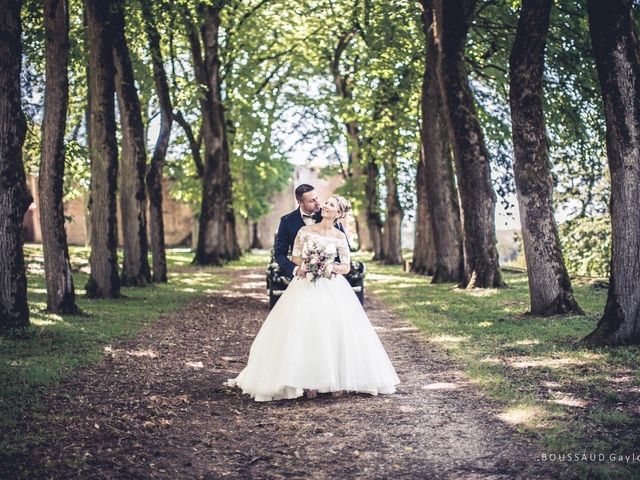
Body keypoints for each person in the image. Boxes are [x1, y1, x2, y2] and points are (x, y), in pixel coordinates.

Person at [225, 194, 399, 401]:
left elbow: (345, 266)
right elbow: (295, 256)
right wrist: (309, 264)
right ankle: (306, 382)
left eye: (331, 204)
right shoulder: (304, 231)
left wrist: (329, 266)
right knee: (304, 329)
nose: (325, 206)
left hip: (333, 286)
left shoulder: (339, 236)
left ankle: (335, 379)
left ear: (339, 213)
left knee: (333, 330)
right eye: (325, 203)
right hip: (305, 284)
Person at [274, 184, 345, 279]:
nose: (318, 203)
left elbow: (344, 248)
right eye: (312, 201)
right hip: (301, 277)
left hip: (330, 277)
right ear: (300, 202)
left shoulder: (329, 215)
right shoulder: (287, 221)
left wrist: (331, 267)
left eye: (317, 198)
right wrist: (295, 269)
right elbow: (279, 254)